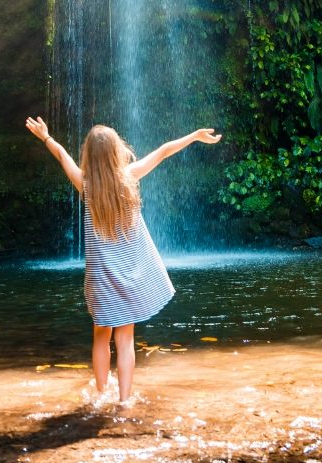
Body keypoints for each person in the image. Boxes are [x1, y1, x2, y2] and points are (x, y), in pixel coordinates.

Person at [25, 116, 221, 403]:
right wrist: (193, 135)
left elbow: (61, 155)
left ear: (89, 155)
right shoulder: (129, 178)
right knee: (125, 339)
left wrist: (45, 137)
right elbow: (165, 150)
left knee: (101, 336)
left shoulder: (85, 185)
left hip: (100, 279)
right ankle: (125, 400)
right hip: (129, 276)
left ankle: (101, 395)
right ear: (116, 151)